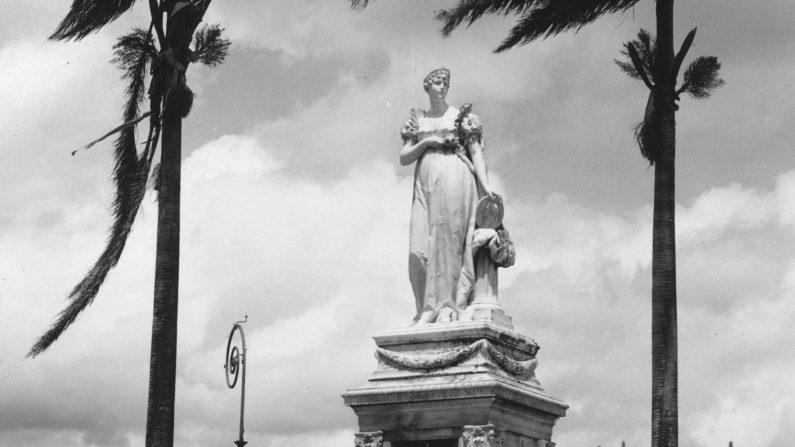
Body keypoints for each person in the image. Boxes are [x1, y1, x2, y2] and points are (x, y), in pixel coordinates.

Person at [400, 67, 494, 324]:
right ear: (427, 87)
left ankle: (446, 305)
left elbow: (475, 152)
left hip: (455, 176)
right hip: (424, 183)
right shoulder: (418, 120)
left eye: (446, 83)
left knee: (447, 243)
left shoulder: (461, 117)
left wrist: (485, 186)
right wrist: (427, 143)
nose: (443, 87)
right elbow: (404, 157)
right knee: (418, 249)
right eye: (438, 83)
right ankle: (424, 308)